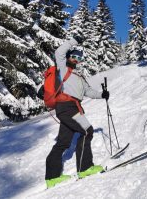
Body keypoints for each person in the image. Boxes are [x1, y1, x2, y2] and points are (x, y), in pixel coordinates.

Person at [45, 36, 110, 188]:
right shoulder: (62, 68)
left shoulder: (79, 76)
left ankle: (52, 178)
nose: (76, 59)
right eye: (73, 56)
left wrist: (102, 95)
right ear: (68, 57)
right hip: (67, 106)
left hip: (71, 108)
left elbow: (88, 91)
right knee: (87, 131)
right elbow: (59, 52)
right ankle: (85, 168)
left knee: (63, 142)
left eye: (78, 58)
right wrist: (74, 41)